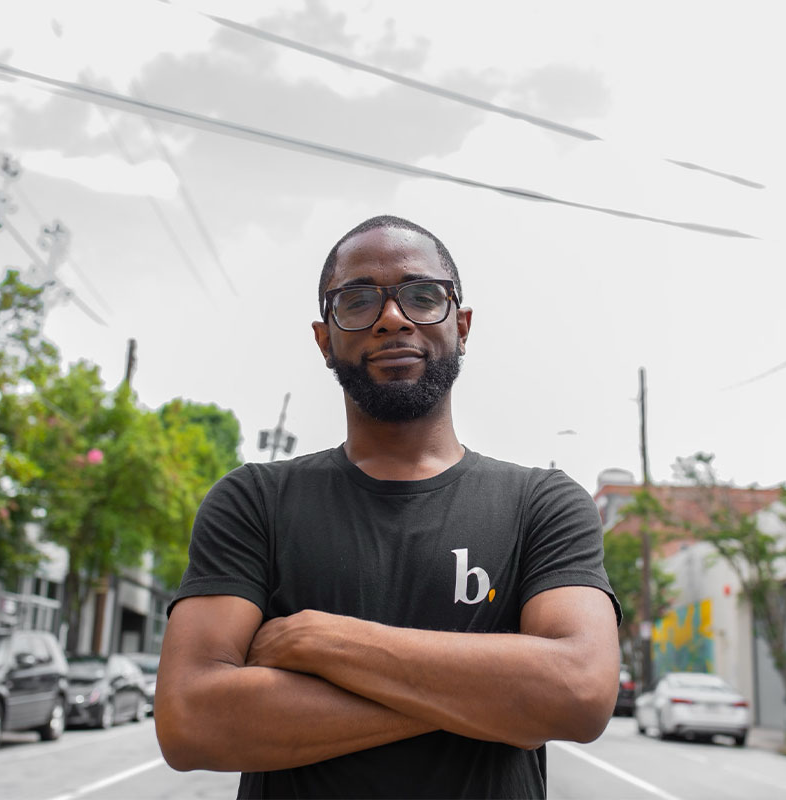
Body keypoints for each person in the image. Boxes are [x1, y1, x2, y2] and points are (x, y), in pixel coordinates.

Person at [155, 215, 621, 799]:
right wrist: (500, 699)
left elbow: (578, 694)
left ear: (463, 324)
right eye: (357, 302)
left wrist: (321, 643)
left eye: (424, 296)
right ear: (325, 337)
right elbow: (191, 722)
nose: (393, 318)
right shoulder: (253, 502)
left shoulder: (544, 505)